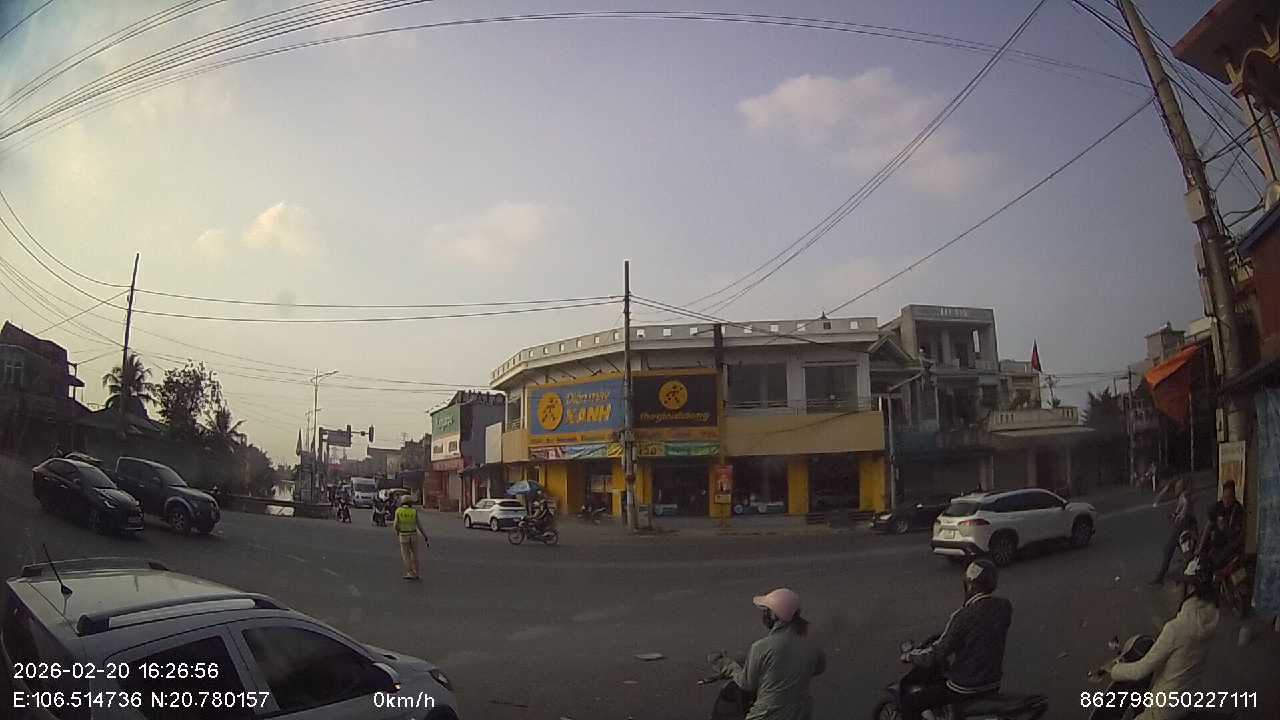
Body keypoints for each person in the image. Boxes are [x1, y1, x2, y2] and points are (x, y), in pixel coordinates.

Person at [900, 560, 1012, 720]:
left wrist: (910, 656)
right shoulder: (1004, 607)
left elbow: (938, 653)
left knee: (911, 703)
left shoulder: (962, 616)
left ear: (970, 585)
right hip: (992, 683)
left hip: (964, 686)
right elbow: (981, 633)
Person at [1108, 564, 1221, 720]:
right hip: (1188, 699)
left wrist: (1114, 670)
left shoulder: (1176, 629)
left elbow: (1140, 671)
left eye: (1177, 584)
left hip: (1164, 708)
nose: (1173, 590)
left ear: (1190, 589)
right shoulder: (1211, 620)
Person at [709, 588, 825, 720]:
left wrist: (728, 666)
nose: (764, 615)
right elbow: (818, 669)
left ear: (775, 615)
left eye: (767, 611)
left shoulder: (761, 647)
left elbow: (747, 684)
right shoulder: (812, 646)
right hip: (800, 714)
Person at [1152, 478, 1197, 584]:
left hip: (1184, 525)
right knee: (1172, 549)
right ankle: (1165, 573)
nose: (1176, 488)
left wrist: (1180, 516)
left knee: (1170, 548)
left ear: (1181, 488)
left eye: (1178, 486)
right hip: (1185, 525)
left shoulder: (1184, 496)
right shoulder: (1182, 497)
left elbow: (1185, 508)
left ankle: (1162, 575)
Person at [393, 495, 430, 580]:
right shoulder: (413, 511)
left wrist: (397, 532)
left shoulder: (398, 511)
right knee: (415, 555)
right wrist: (425, 535)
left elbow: (395, 524)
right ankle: (416, 572)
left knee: (406, 555)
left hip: (403, 536)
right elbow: (419, 525)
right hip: (413, 536)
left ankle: (410, 572)